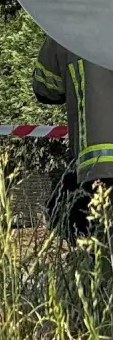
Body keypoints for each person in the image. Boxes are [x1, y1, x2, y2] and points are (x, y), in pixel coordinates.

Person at [33, 35, 113, 239]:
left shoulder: (68, 23)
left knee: (101, 253)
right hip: (98, 169)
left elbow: (45, 87)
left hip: (98, 170)